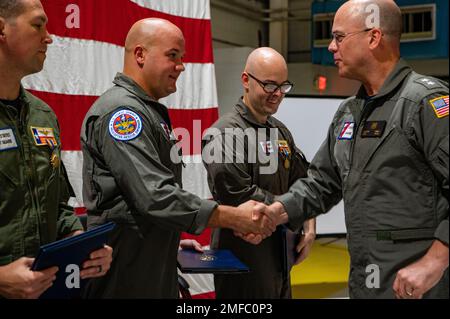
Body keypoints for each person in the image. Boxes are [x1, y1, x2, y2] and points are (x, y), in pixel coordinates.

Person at [244, 0, 448, 299]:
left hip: (423, 286)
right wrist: (277, 211)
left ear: (374, 37)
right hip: (367, 280)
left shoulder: (426, 103)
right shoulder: (349, 112)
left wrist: (435, 260)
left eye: (339, 37)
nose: (330, 47)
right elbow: (323, 183)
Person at [80, 18, 278, 298]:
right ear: (140, 55)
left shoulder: (147, 111)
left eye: (182, 57)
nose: (181, 66)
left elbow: (141, 204)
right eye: (172, 56)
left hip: (148, 265)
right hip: (126, 277)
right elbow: (155, 196)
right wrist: (233, 217)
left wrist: (169, 244)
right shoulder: (123, 114)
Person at [0, 0, 113, 299]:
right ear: (1, 28)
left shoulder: (43, 116)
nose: (48, 37)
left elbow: (57, 203)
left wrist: (80, 242)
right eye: (38, 25)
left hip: (45, 290)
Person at [202, 47, 316, 298]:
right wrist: (292, 208)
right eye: (269, 85)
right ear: (246, 80)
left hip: (281, 255)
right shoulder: (223, 134)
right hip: (241, 257)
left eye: (283, 86)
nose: (277, 94)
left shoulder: (281, 132)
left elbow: (305, 182)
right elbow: (241, 197)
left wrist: (309, 227)